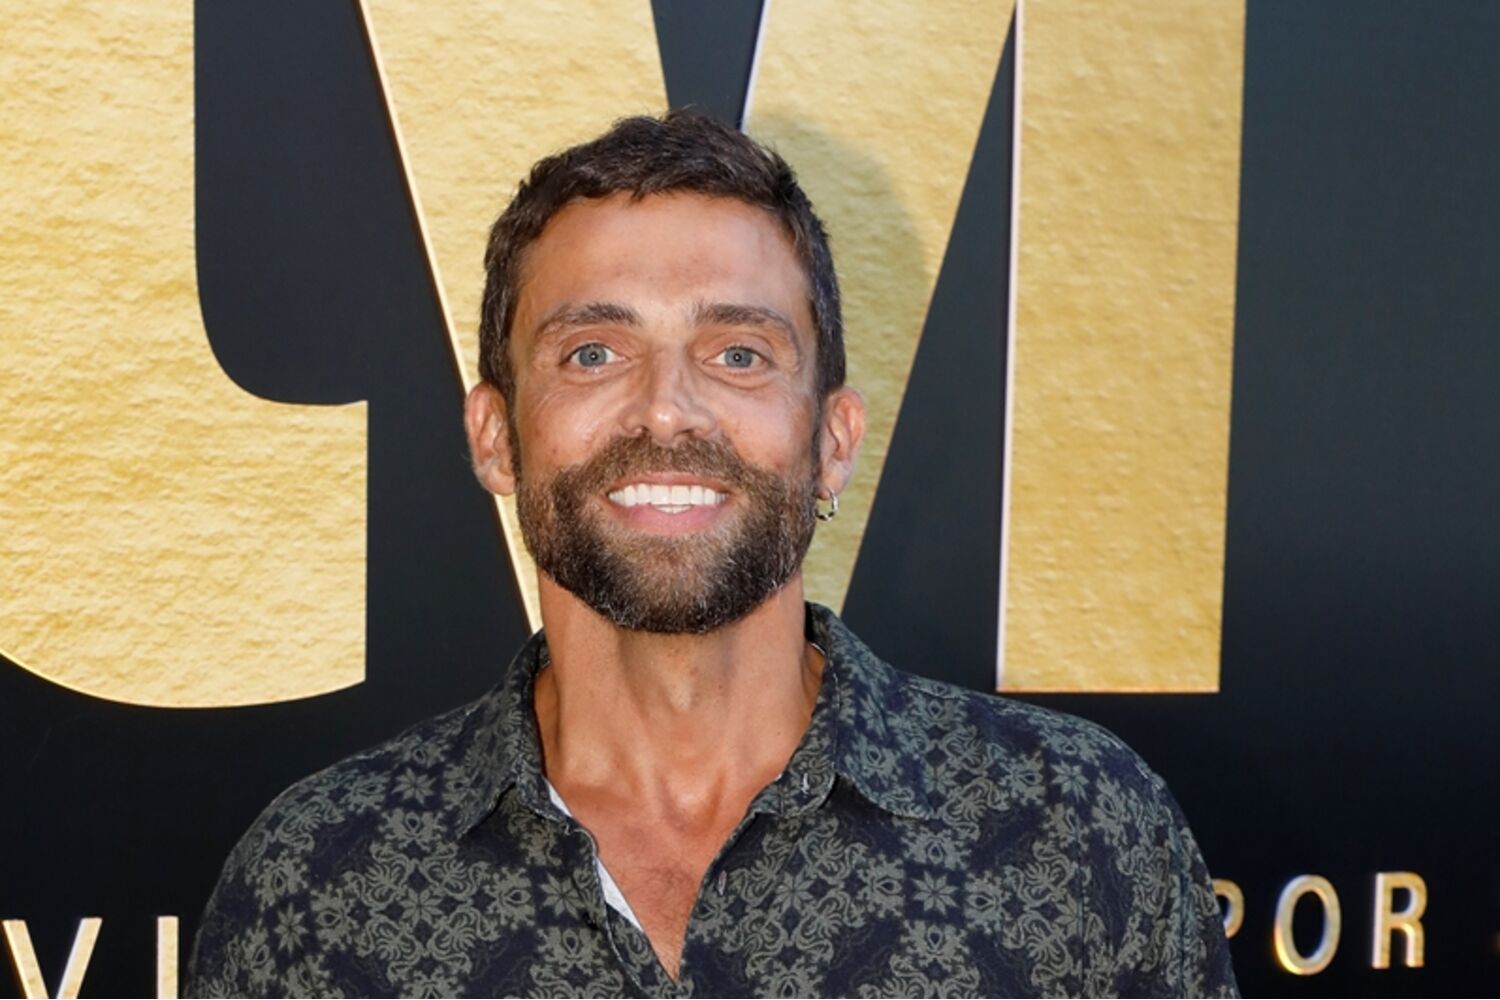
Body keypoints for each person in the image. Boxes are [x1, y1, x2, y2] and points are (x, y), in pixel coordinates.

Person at [190, 110, 1237, 998]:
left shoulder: (1081, 833)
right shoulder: (316, 882)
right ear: (495, 436)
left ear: (833, 441)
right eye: (593, 352)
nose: (667, 408)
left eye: (738, 353)